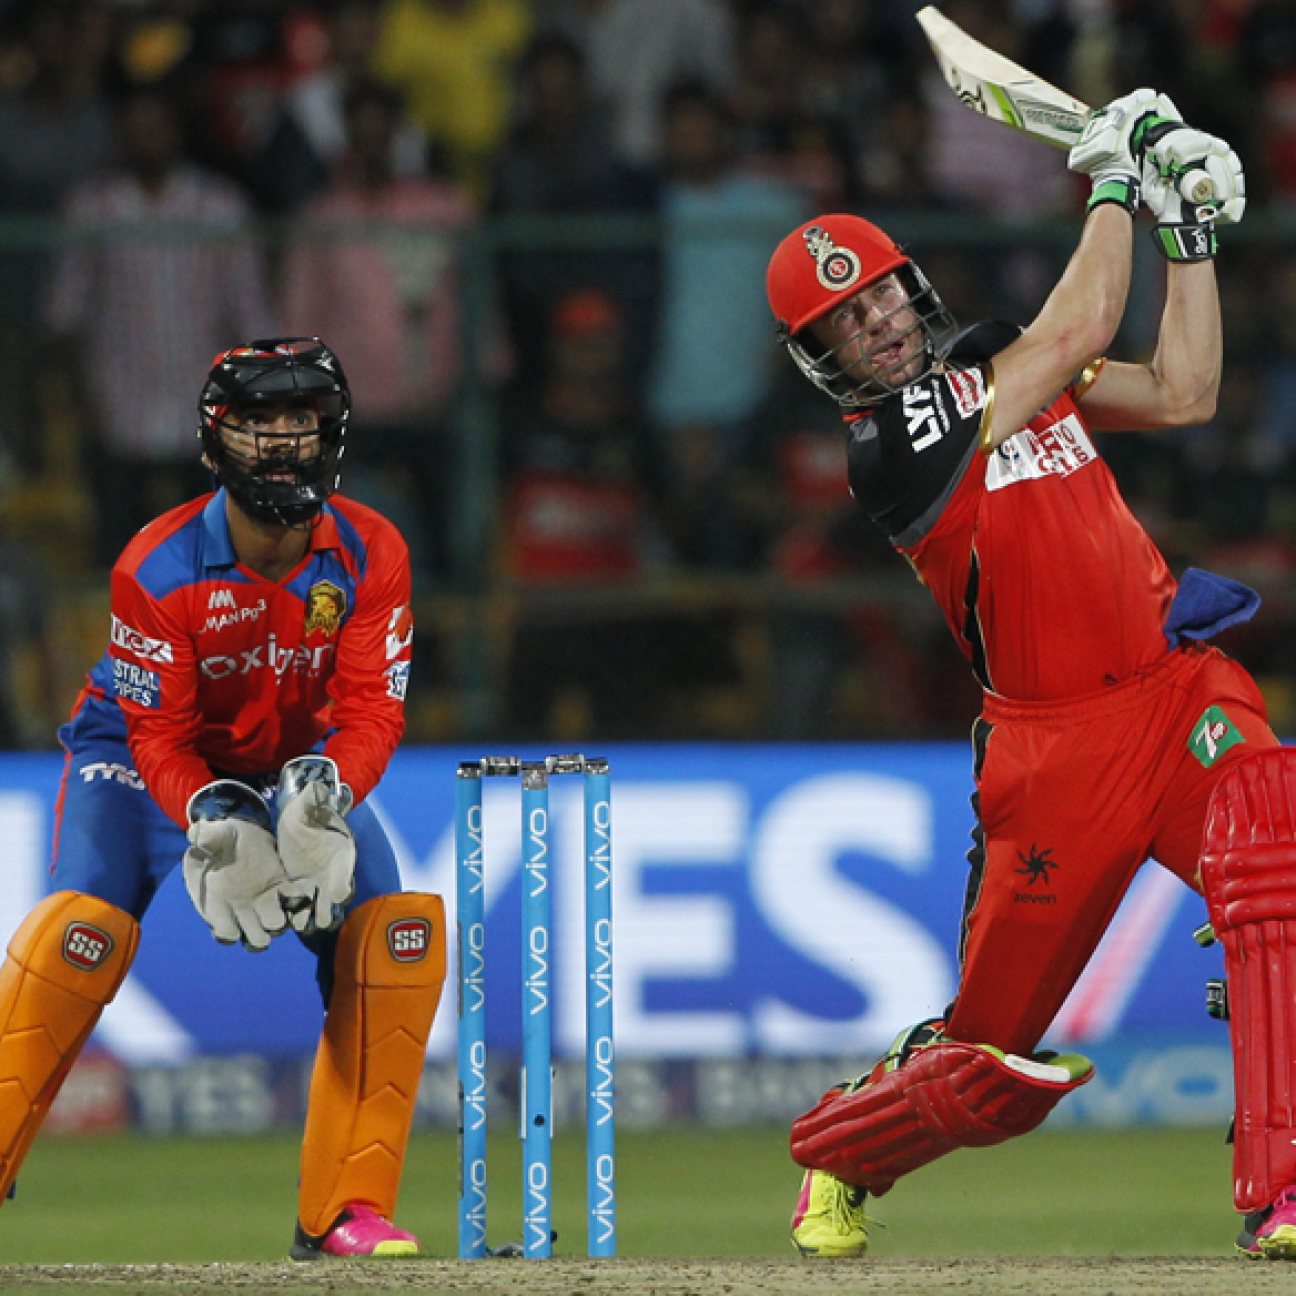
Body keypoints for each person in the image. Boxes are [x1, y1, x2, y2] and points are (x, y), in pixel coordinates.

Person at [765, 93, 1296, 1261]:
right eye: (843, 325)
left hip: (1175, 694)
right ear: (824, 362)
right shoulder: (891, 449)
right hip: (1053, 759)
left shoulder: (993, 358)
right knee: (985, 1058)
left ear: (911, 284)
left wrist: (1189, 235)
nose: (875, 327)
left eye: (879, 297)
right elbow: (1075, 327)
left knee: (1278, 856)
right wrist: (1116, 182)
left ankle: (1282, 1192)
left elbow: (1183, 390)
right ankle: (842, 1152)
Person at [0, 338, 444, 1260]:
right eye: (257, 424)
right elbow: (158, 735)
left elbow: (370, 710)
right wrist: (212, 814)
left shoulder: (371, 548)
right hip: (139, 758)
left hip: (298, 766)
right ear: (213, 444)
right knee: (78, 934)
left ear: (333, 434)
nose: (282, 444)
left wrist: (328, 792)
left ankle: (345, 1212)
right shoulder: (155, 565)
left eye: (302, 422)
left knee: (393, 941)